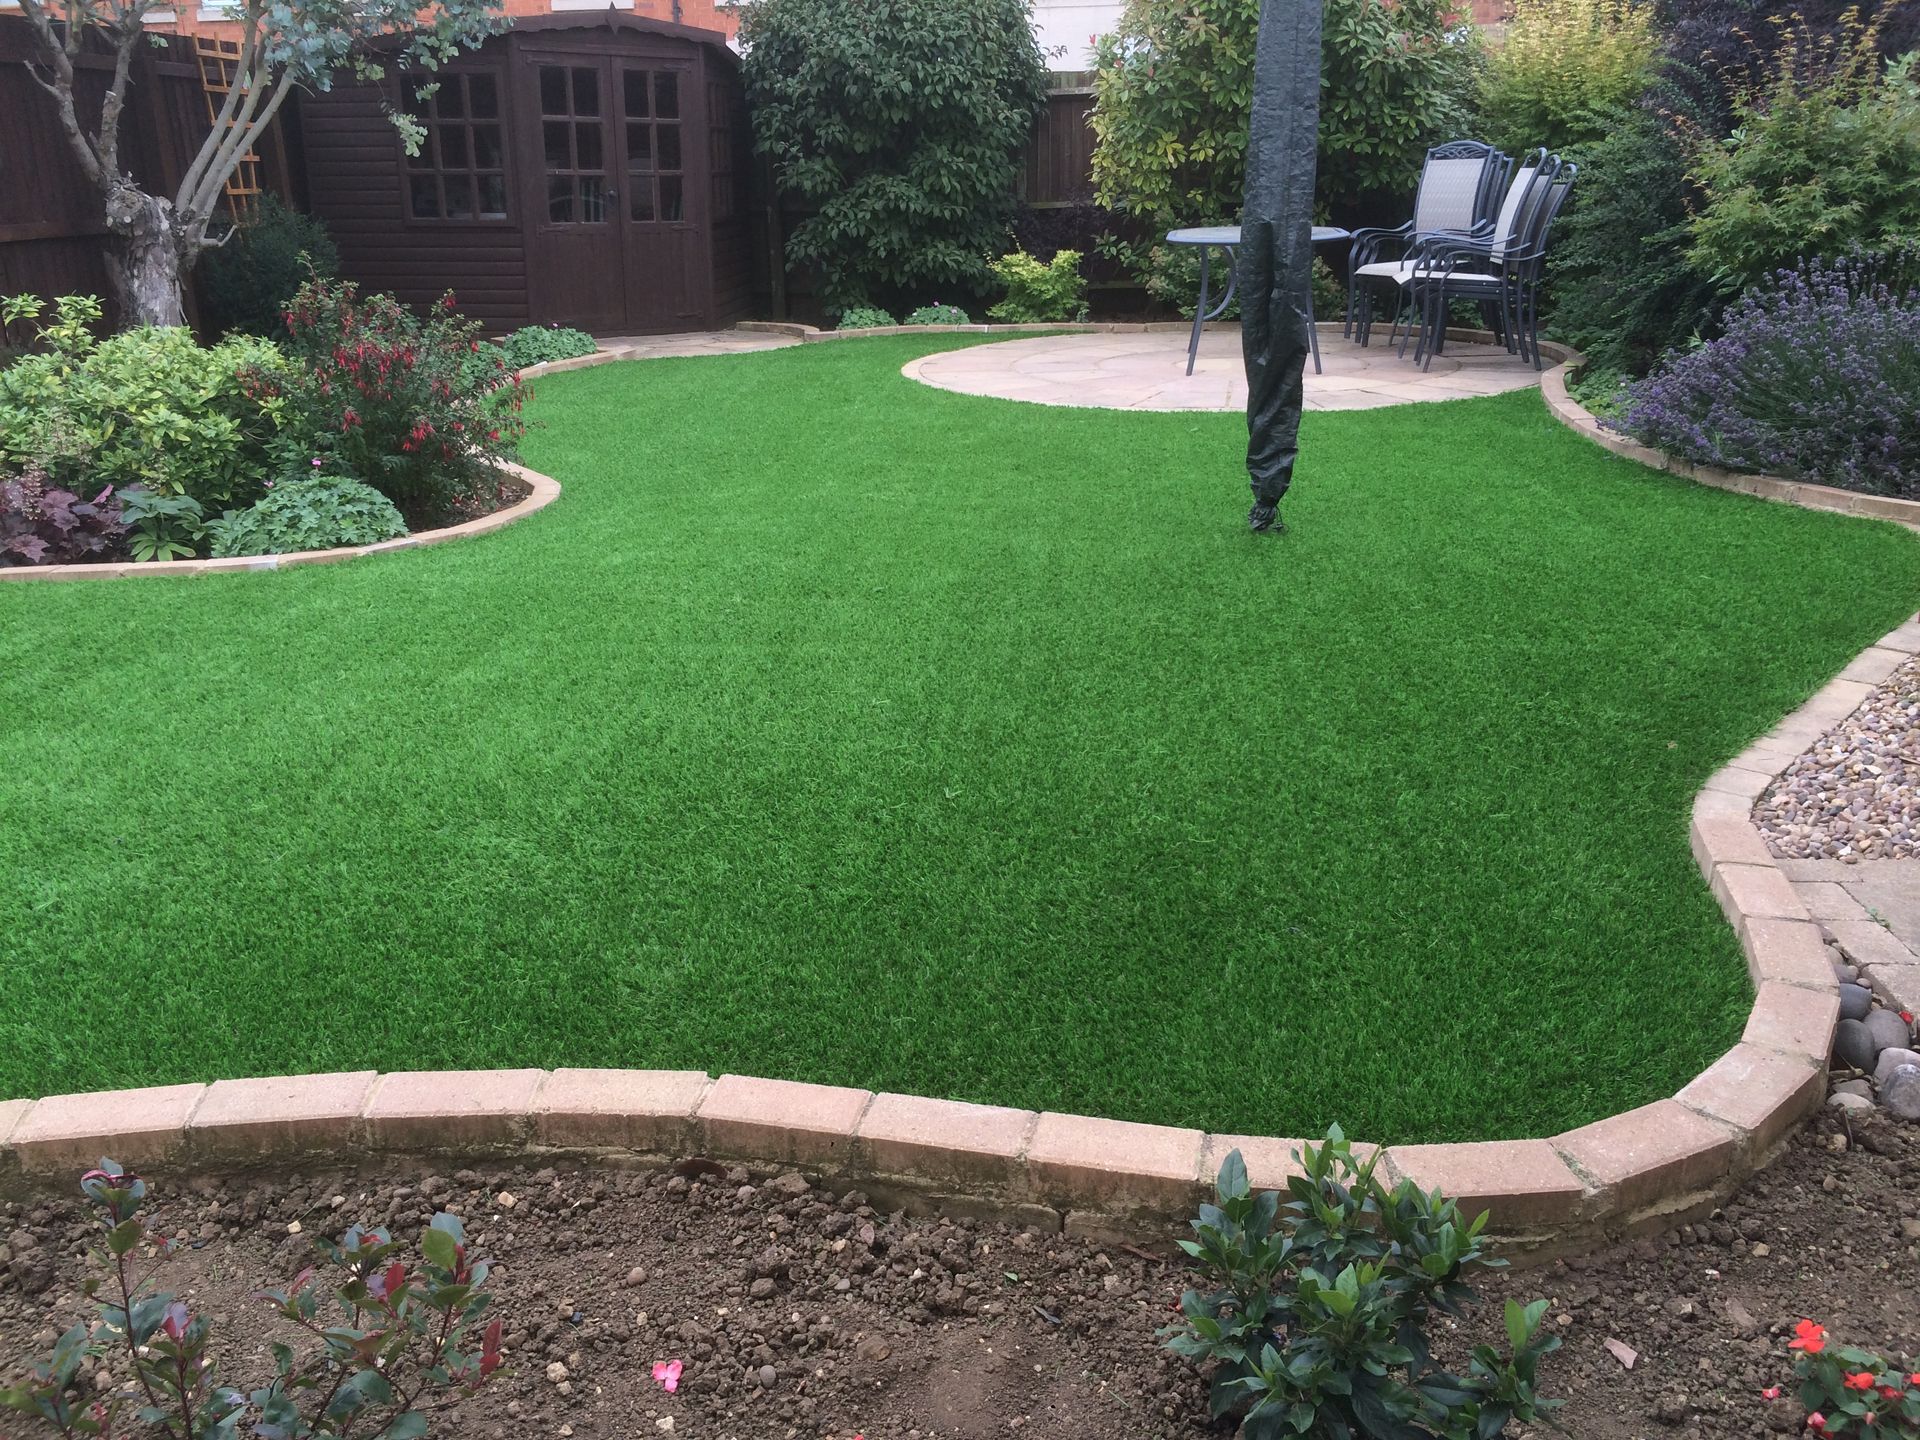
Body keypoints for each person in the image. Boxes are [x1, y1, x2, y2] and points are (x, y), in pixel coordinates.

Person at [1236, 0, 1322, 534]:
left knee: (1281, 338)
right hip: (1267, 230)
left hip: (1284, 233)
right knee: (1264, 333)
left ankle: (1270, 489)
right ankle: (1266, 486)